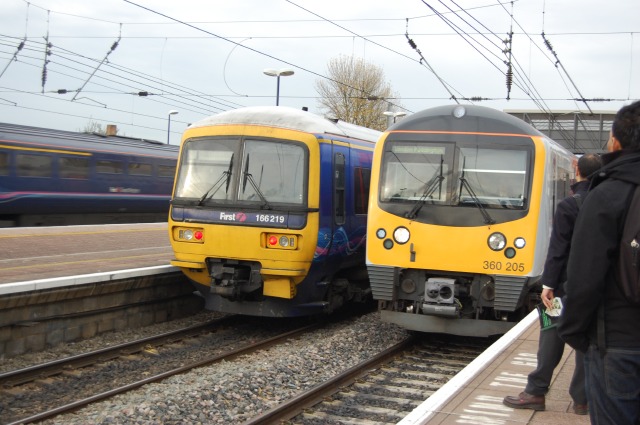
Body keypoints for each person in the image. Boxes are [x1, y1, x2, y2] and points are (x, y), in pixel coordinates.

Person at [558, 99, 640, 425]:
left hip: (618, 342)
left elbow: (583, 277)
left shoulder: (606, 194)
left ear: (616, 143)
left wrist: (575, 332)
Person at [503, 153, 602, 415]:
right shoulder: (606, 203)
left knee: (551, 334)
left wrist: (548, 284)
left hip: (562, 288)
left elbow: (558, 250)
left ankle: (536, 392)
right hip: (596, 287)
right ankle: (582, 399)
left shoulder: (569, 205)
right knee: (587, 339)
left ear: (577, 172)